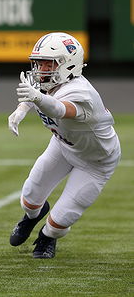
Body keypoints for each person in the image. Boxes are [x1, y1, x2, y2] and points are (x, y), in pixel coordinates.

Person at [7, 32, 121, 258]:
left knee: (62, 219)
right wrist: (20, 110)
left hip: (95, 161)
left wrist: (36, 98)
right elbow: (34, 92)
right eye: (38, 64)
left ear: (68, 65)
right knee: (30, 197)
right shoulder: (50, 81)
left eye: (48, 64)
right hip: (62, 145)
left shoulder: (81, 92)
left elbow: (59, 109)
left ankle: (47, 237)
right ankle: (31, 218)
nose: (41, 70)